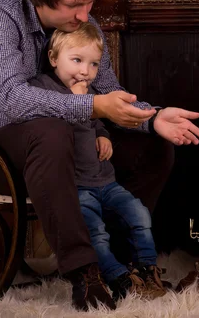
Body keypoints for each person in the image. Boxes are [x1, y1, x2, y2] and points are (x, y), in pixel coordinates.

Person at [0, 0, 199, 311]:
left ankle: (121, 264)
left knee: (154, 144)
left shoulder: (83, 23)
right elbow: (14, 99)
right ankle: (84, 272)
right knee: (50, 129)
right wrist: (93, 107)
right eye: (73, 5)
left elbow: (109, 92)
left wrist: (153, 118)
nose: (85, 15)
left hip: (60, 152)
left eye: (89, 3)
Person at [28, 23, 167, 301]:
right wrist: (80, 105)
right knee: (96, 233)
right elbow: (48, 133)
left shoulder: (90, 91)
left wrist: (102, 135)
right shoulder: (43, 88)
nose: (85, 71)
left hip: (105, 179)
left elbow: (95, 124)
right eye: (76, 60)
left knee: (139, 214)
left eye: (93, 64)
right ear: (54, 58)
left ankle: (146, 268)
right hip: (78, 186)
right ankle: (118, 276)